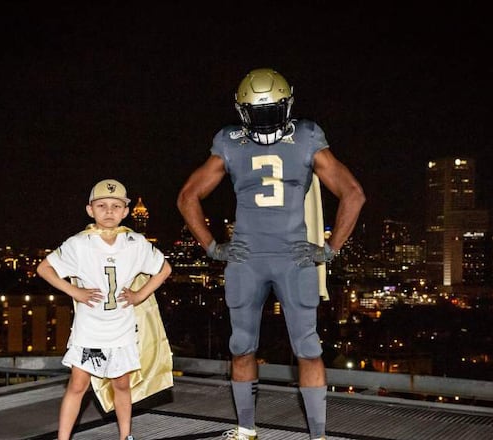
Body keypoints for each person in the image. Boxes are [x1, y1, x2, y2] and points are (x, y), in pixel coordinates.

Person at [177, 68, 365, 440]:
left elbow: (186, 197)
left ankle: (265, 430)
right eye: (258, 113)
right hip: (284, 259)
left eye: (269, 112)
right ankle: (268, 431)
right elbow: (354, 193)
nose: (264, 121)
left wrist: (214, 247)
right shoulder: (300, 137)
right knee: (258, 346)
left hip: (254, 259)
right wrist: (330, 250)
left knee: (288, 348)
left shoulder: (243, 141)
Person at [37, 178, 172, 440]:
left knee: (121, 384)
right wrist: (74, 291)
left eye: (115, 206)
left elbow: (164, 269)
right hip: (89, 330)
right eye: (102, 205)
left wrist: (139, 295)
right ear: (90, 210)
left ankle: (125, 436)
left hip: (121, 328)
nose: (109, 211)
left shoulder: (135, 242)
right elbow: (44, 268)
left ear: (125, 211)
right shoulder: (79, 243)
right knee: (78, 385)